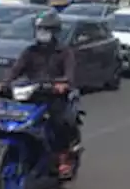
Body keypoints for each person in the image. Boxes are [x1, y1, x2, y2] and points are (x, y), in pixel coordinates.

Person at [5, 11, 78, 179]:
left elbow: (70, 75)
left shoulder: (65, 52)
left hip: (55, 97)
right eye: (39, 29)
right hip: (32, 95)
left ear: (54, 32)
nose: (41, 33)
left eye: (45, 29)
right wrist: (4, 83)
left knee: (59, 122)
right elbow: (16, 69)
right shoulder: (30, 51)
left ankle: (63, 160)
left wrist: (62, 84)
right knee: (12, 115)